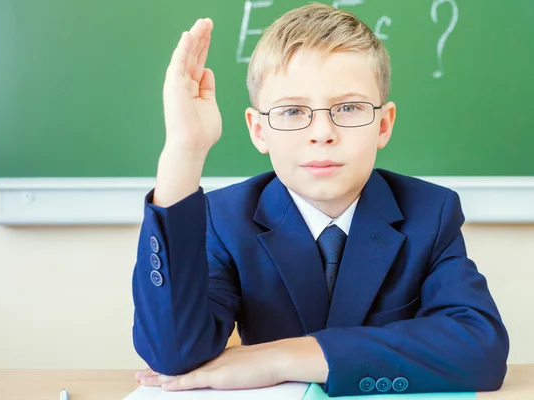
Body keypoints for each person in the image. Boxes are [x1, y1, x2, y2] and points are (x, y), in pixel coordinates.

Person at [131, 3, 509, 397]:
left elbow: (479, 348)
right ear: (259, 130)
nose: (322, 133)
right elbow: (172, 354)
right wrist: (184, 150)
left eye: (348, 107)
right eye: (293, 111)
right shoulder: (225, 219)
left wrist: (280, 358)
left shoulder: (430, 213)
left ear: (383, 124)